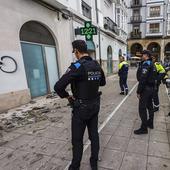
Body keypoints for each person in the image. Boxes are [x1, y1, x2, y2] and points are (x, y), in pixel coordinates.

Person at [54, 40, 106, 170]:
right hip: (95, 105)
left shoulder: (77, 66)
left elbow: (58, 86)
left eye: (74, 52)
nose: (74, 54)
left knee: (77, 139)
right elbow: (103, 83)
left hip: (81, 108)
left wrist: (67, 96)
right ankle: (94, 162)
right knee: (94, 134)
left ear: (76, 51)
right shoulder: (96, 64)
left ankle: (75, 166)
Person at [134, 50, 157, 134]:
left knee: (142, 108)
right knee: (150, 106)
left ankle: (144, 128)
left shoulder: (146, 64)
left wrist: (138, 91)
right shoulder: (152, 63)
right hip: (151, 89)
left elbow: (143, 79)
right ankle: (150, 123)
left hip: (145, 89)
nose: (141, 56)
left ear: (146, 55)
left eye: (142, 55)